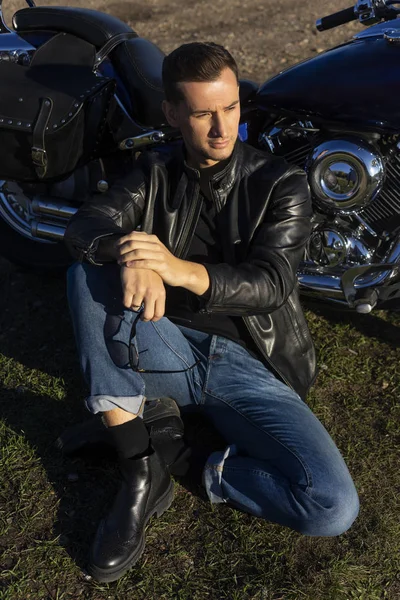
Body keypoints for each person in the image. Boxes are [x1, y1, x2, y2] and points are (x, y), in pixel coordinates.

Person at [64, 42, 359, 583]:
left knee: (332, 506)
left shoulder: (280, 183)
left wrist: (174, 268)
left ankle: (177, 458)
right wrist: (129, 251)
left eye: (231, 108)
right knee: (85, 274)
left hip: (251, 365)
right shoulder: (151, 170)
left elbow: (271, 283)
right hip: (164, 339)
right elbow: (85, 228)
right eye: (203, 114)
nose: (222, 129)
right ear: (173, 114)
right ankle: (137, 471)